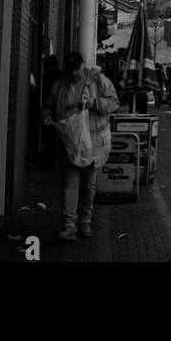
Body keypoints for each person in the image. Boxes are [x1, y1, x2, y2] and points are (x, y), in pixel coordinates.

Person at [42, 52, 120, 242]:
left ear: (83, 65)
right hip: (70, 144)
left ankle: (85, 222)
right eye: (70, 71)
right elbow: (48, 106)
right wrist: (46, 117)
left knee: (88, 185)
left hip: (92, 144)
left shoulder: (98, 81)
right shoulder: (60, 84)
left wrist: (96, 103)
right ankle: (69, 225)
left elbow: (115, 102)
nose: (74, 74)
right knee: (70, 184)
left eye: (76, 70)